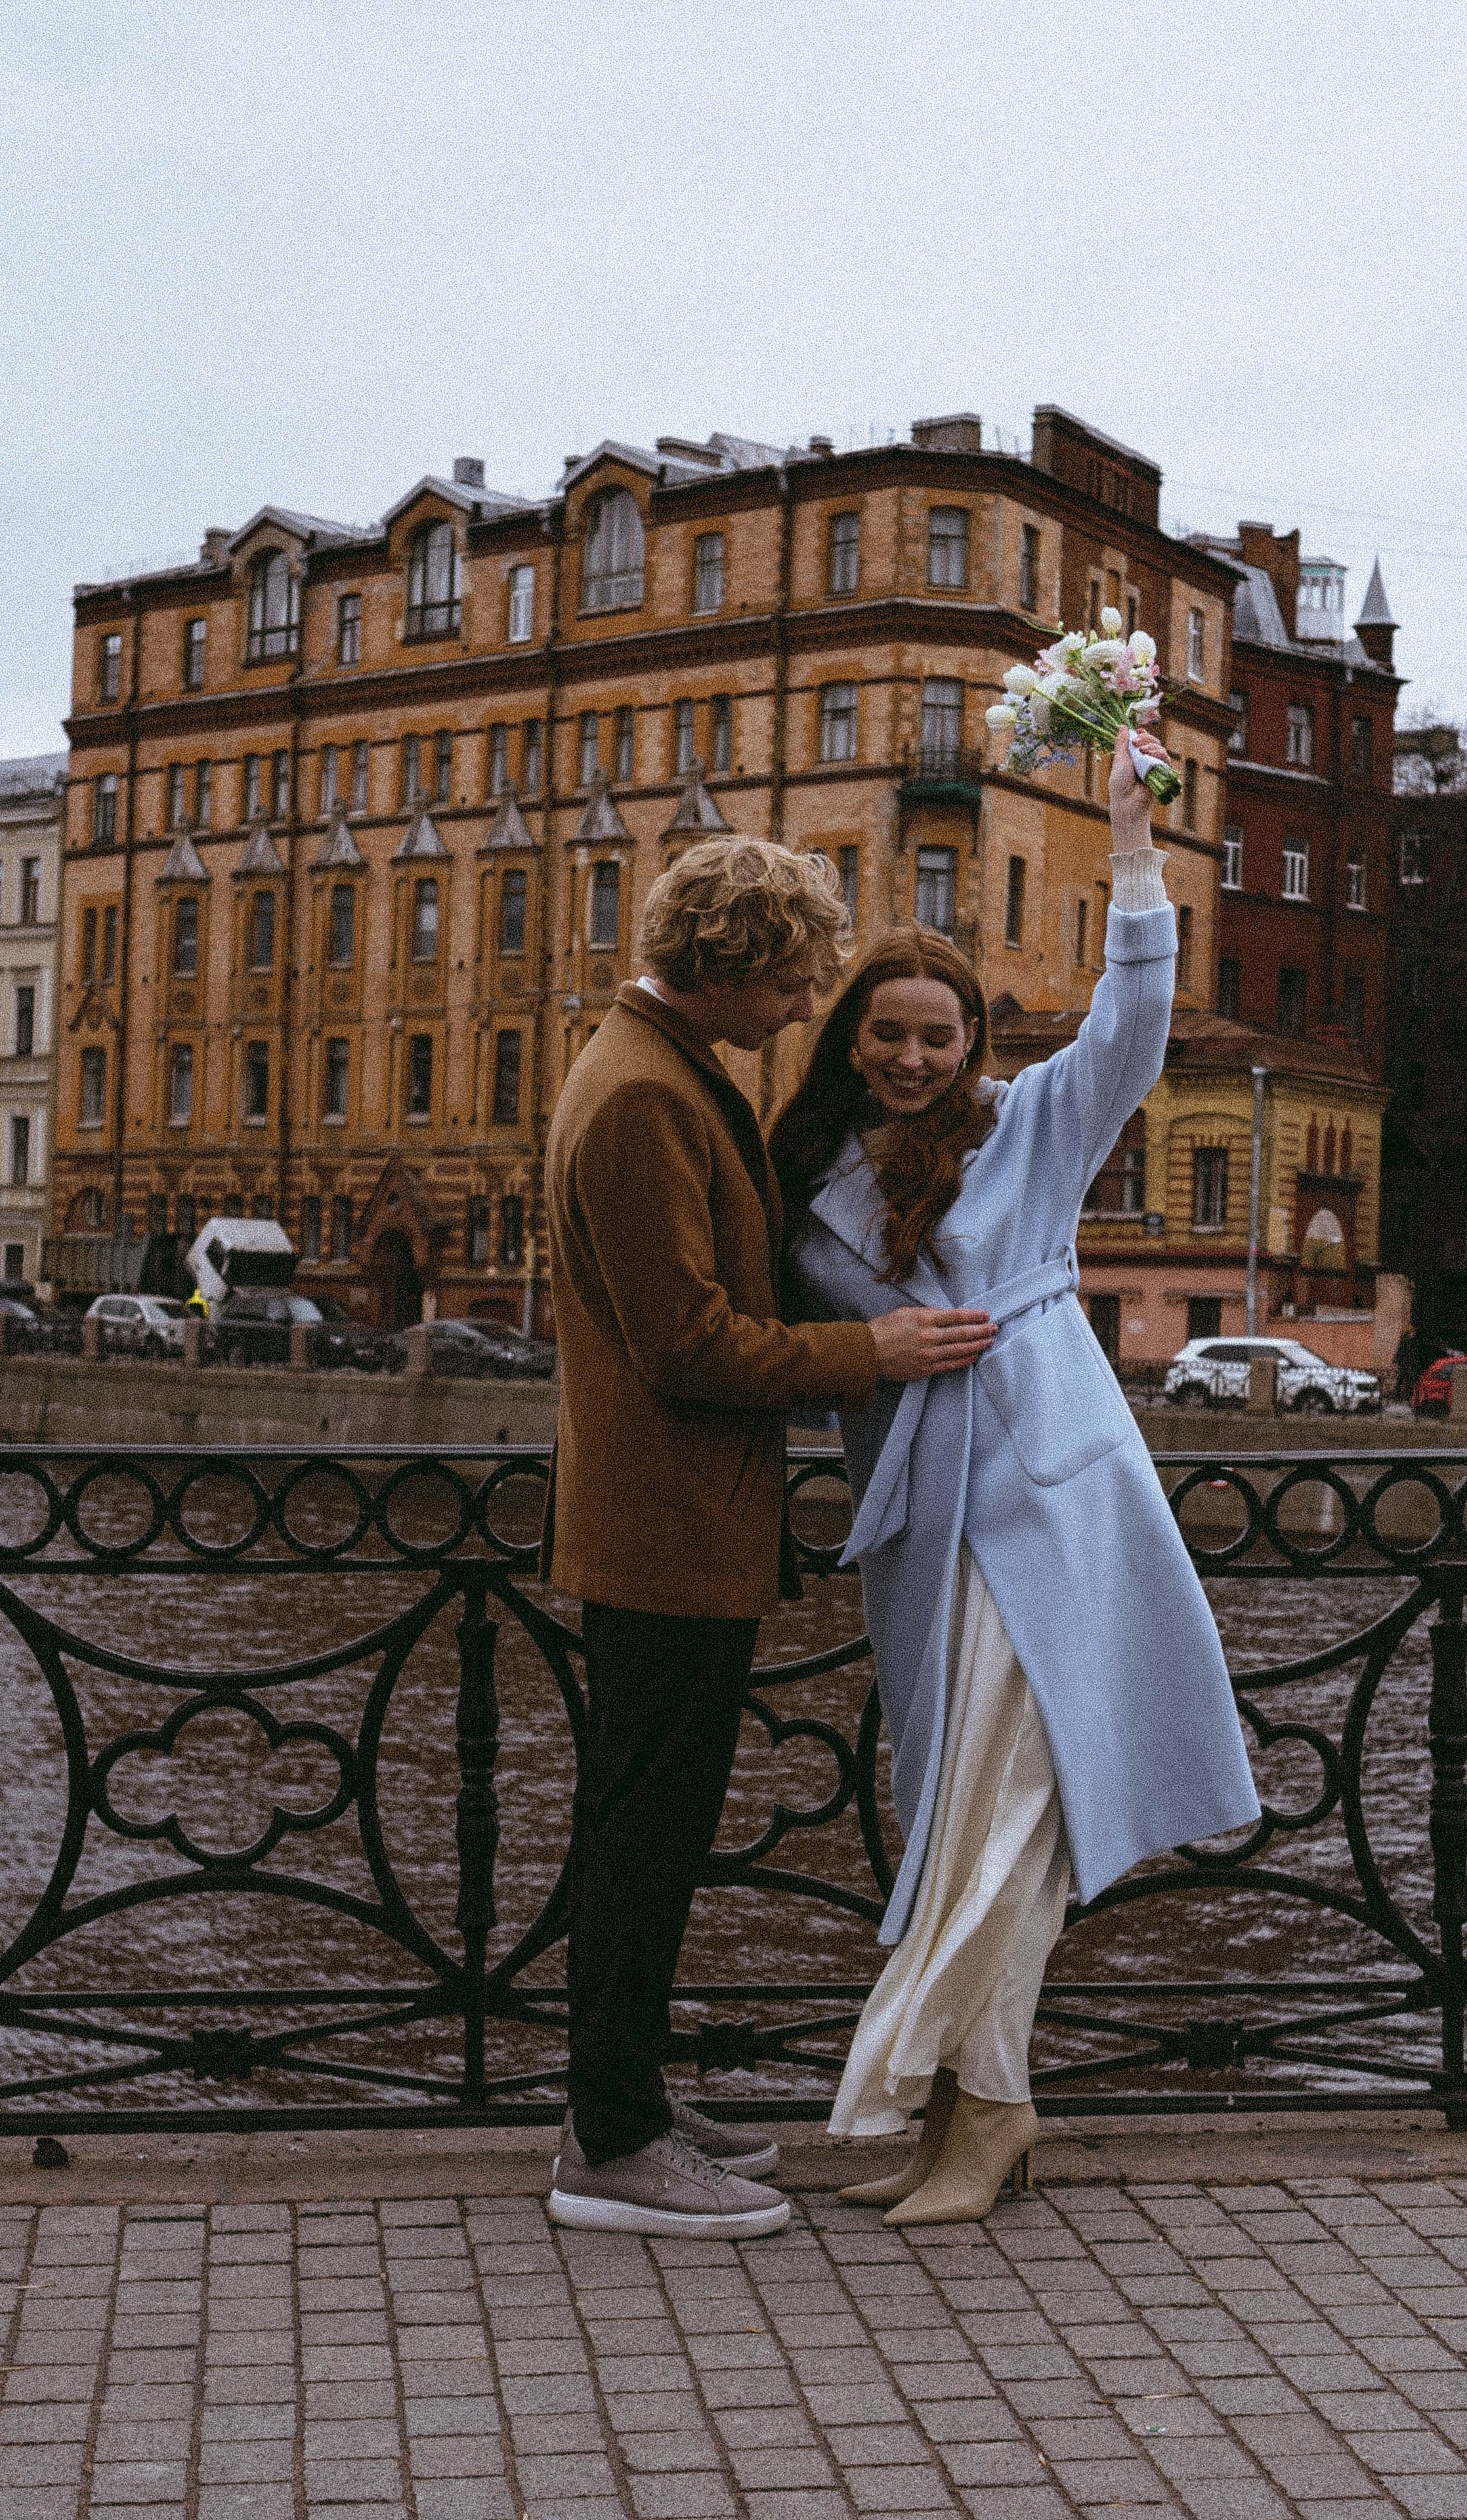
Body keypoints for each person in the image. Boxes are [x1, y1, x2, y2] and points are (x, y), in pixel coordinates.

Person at [771, 736, 1262, 2225]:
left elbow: (1132, 1024)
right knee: (967, 1815)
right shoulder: (812, 1187)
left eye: (940, 1035)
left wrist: (1126, 846)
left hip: (1053, 1499)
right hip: (929, 1532)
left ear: (972, 1042)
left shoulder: (1028, 1131)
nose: (915, 1058)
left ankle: (970, 2105)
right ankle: (970, 2113)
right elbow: (789, 1340)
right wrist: (879, 1350)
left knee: (1014, 1809)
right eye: (889, 1035)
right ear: (851, 1041)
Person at [540, 837, 995, 2238]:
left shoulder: (657, 1070)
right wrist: (870, 1350)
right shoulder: (639, 1100)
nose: (807, 1007)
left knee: (651, 1826)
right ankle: (609, 2146)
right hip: (664, 1525)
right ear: (731, 967)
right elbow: (685, 1345)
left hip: (678, 1522)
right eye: (797, 978)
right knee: (642, 1834)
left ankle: (620, 2096)